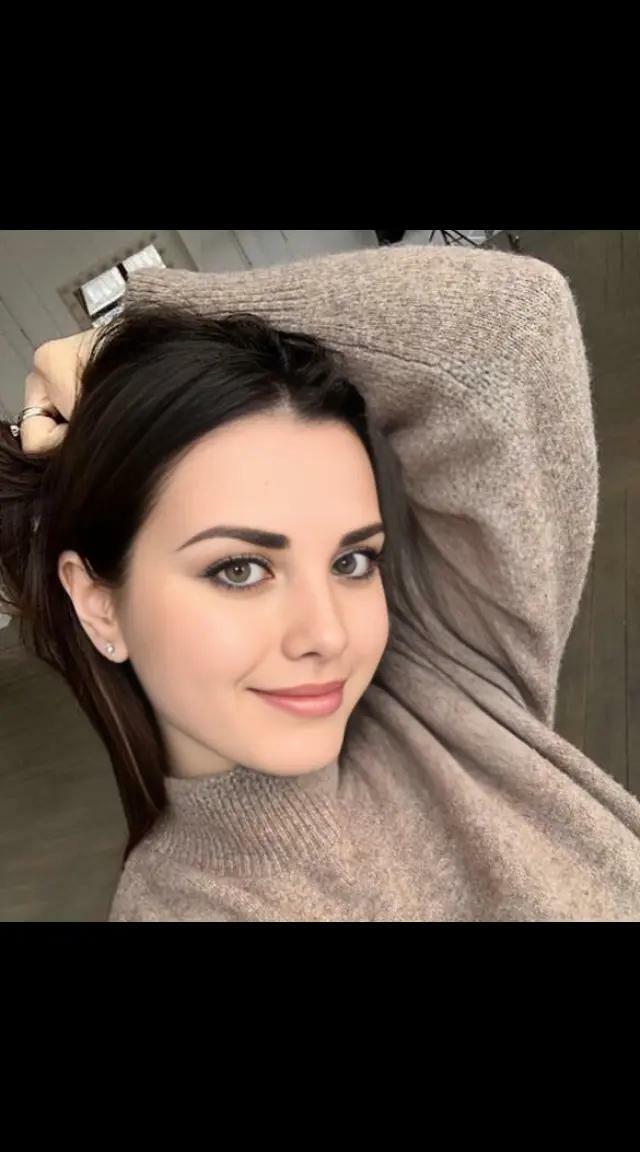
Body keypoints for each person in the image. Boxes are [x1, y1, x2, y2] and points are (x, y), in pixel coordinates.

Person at [2, 243, 640, 922]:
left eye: (352, 562)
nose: (328, 635)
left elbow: (514, 324)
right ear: (99, 605)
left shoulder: (449, 680)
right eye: (240, 570)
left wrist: (146, 323)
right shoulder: (187, 909)